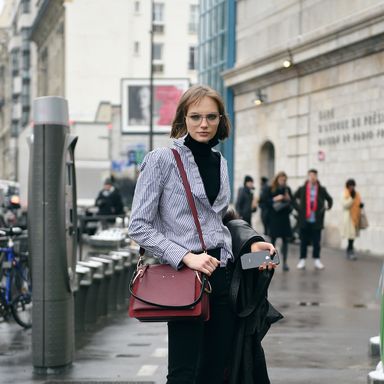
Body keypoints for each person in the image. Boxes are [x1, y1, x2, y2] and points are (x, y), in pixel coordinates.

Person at [128, 84, 276, 384]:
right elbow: (138, 226)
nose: (204, 124)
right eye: (195, 117)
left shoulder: (220, 162)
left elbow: (218, 218)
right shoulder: (161, 160)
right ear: (183, 118)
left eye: (211, 117)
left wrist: (251, 245)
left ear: (221, 119)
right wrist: (186, 257)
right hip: (187, 278)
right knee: (184, 372)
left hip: (224, 275)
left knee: (217, 367)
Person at [292, 169, 333, 270]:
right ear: (308, 177)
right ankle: (302, 260)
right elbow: (293, 198)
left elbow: (329, 199)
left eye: (314, 175)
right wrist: (299, 209)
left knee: (316, 242)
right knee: (303, 241)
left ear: (316, 177)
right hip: (304, 219)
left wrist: (328, 207)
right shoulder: (302, 188)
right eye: (311, 175)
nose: (312, 177)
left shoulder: (321, 189)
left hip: (316, 220)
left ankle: (317, 260)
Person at [266, 172, 293, 271]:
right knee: (272, 242)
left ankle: (285, 263)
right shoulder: (271, 189)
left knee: (286, 241)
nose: (283, 182)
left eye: (284, 180)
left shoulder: (287, 189)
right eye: (281, 179)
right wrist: (275, 199)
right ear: (277, 179)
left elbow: (292, 203)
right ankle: (271, 261)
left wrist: (288, 199)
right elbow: (266, 202)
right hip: (274, 218)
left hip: (285, 218)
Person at [341, 178, 363, 260]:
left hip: (355, 217)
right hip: (348, 217)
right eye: (350, 185)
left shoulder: (357, 194)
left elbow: (359, 203)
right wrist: (351, 198)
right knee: (350, 235)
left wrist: (360, 205)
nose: (351, 187)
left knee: (353, 236)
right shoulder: (345, 193)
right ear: (347, 186)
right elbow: (345, 205)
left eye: (353, 185)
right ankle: (350, 251)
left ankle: (350, 249)